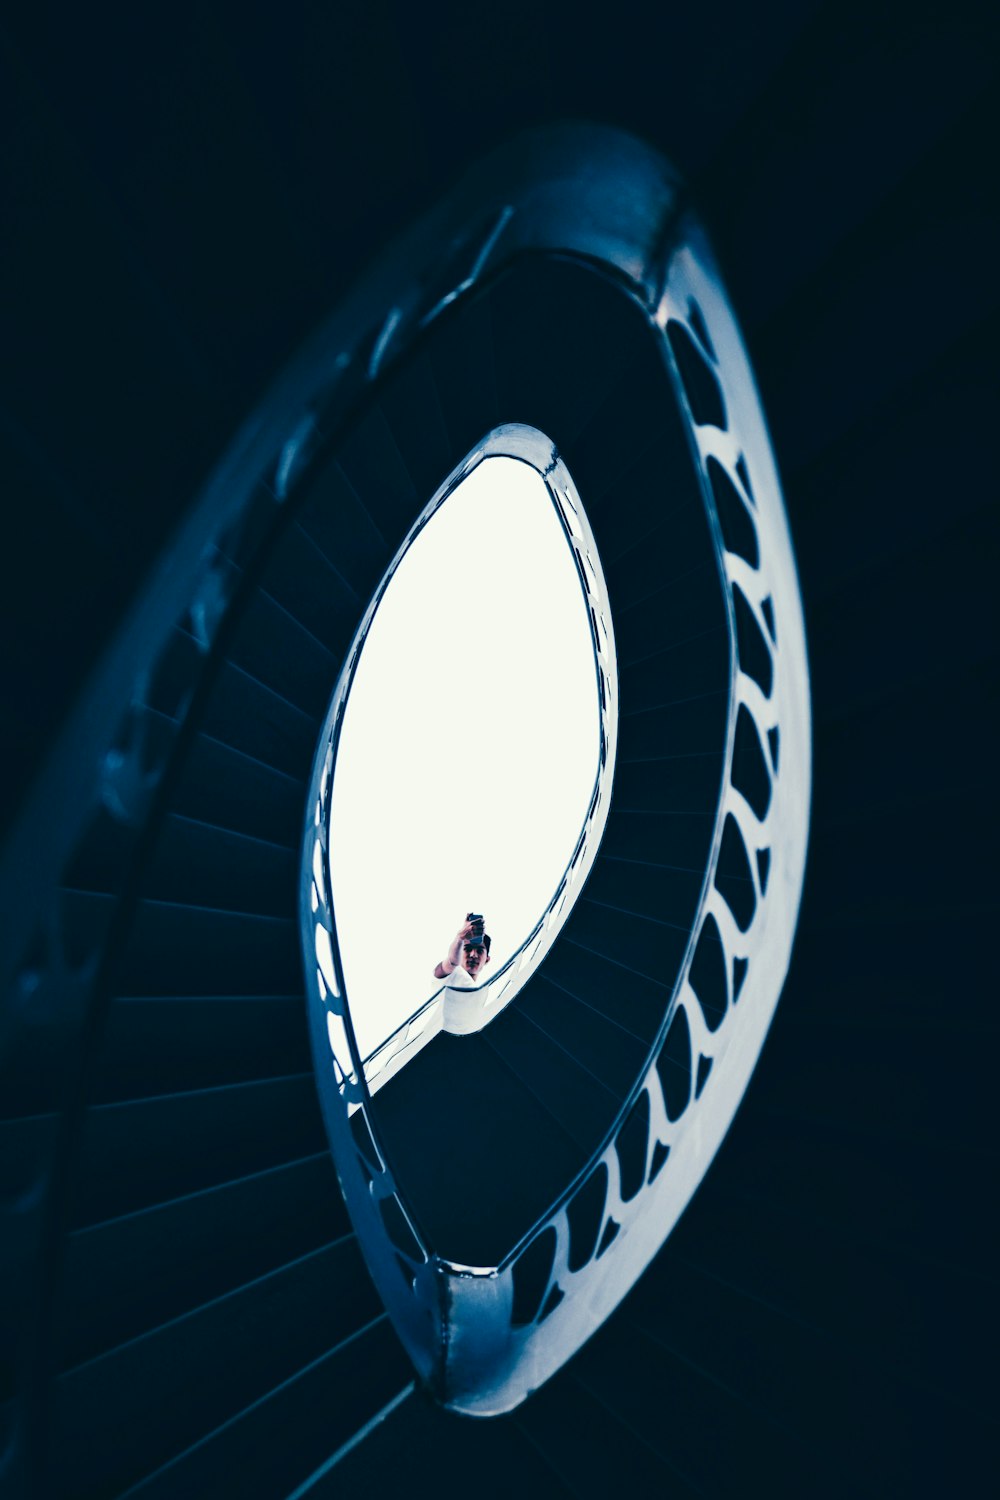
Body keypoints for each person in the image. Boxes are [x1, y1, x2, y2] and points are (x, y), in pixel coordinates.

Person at [433, 913, 491, 987]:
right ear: (460, 952)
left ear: (487, 960)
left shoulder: (480, 993)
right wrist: (460, 938)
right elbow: (452, 962)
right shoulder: (450, 974)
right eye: (468, 948)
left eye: (479, 951)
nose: (473, 955)